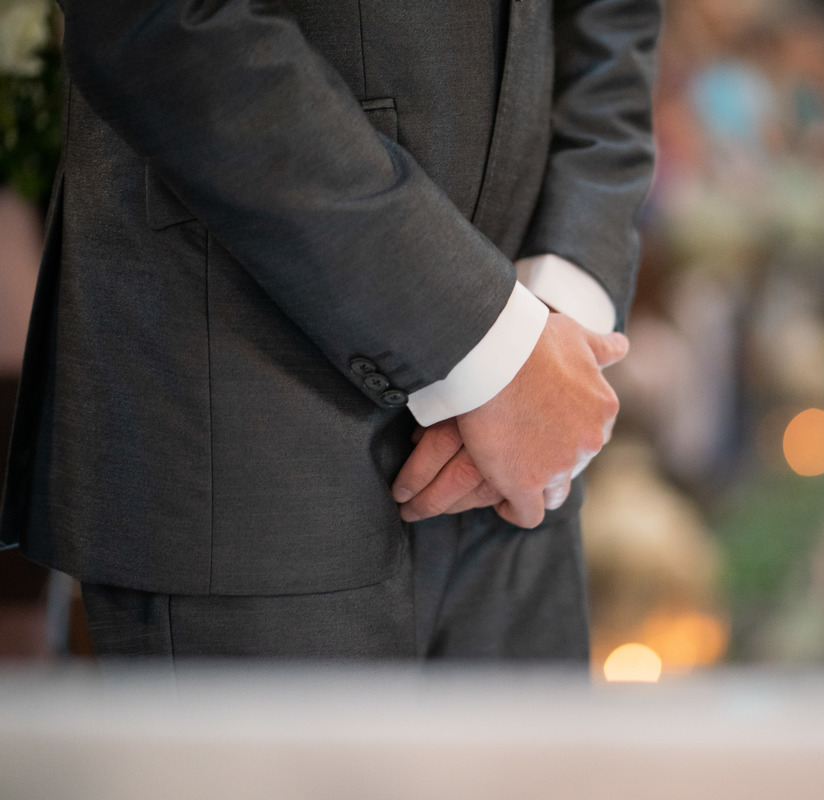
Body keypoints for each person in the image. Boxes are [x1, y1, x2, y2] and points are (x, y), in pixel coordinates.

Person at [0, 0, 660, 660]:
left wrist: (562, 308)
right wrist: (496, 342)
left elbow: (613, 20)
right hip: (255, 446)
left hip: (531, 480)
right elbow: (159, 20)